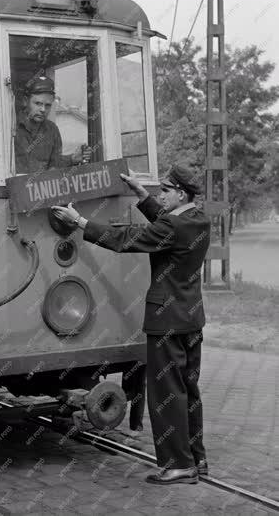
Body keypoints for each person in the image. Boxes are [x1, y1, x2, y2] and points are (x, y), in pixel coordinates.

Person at [52, 165, 210, 485]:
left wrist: (80, 222)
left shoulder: (172, 225)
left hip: (165, 321)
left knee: (166, 395)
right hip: (191, 320)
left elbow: (127, 239)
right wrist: (143, 196)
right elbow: (167, 228)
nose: (159, 194)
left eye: (165, 190)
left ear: (181, 193)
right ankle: (197, 458)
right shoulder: (198, 221)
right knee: (188, 391)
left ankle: (178, 465)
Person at [13, 76, 89, 174]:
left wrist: (72, 159)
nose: (43, 110)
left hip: (41, 188)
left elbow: (55, 166)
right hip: (15, 188)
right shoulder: (10, 126)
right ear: (25, 101)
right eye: (38, 103)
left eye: (47, 105)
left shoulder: (52, 130)